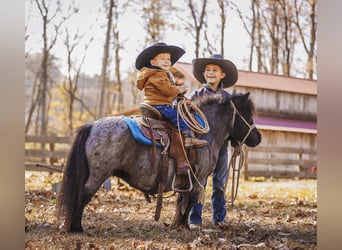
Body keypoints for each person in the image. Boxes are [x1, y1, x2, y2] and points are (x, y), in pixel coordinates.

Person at [188, 54, 238, 229]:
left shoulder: (228, 99)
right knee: (199, 182)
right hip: (201, 147)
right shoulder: (196, 96)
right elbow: (187, 118)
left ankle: (219, 218)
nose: (210, 73)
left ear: (222, 75)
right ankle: (195, 218)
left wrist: (236, 141)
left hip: (222, 147)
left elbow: (233, 124)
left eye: (214, 70)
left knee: (220, 183)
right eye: (207, 70)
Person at [135, 42, 207, 148]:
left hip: (156, 103)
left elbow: (165, 92)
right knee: (178, 117)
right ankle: (188, 138)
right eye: (162, 59)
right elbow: (167, 90)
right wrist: (179, 89)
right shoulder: (157, 74)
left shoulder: (158, 73)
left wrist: (178, 95)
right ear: (153, 62)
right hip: (159, 105)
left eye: (168, 59)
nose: (167, 61)